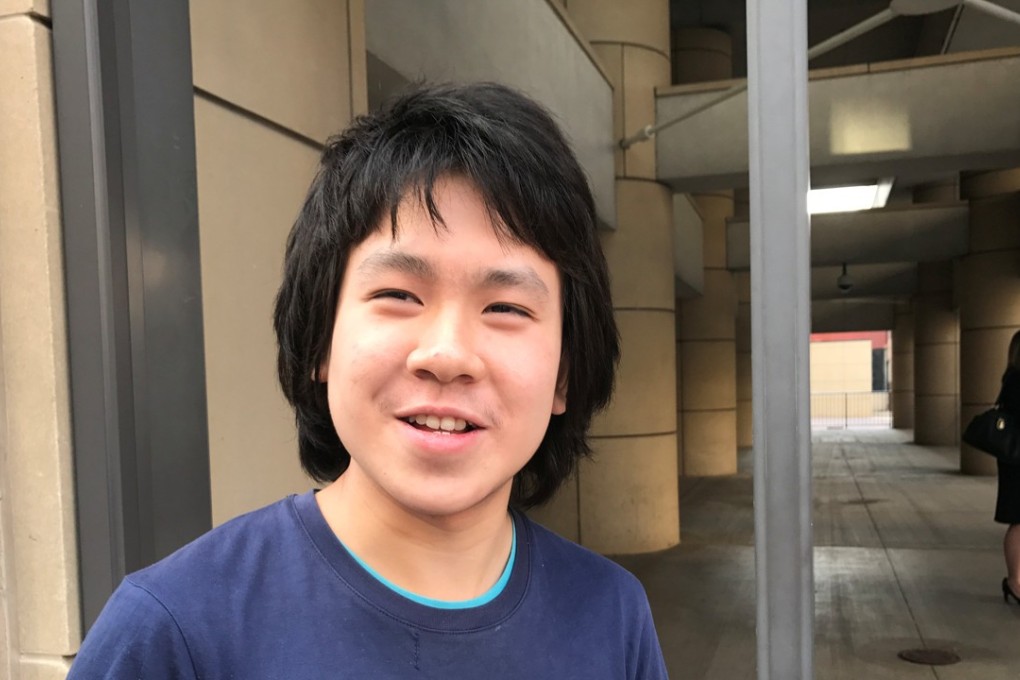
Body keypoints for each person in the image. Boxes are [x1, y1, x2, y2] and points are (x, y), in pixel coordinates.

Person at [68, 82, 669, 679]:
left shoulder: (611, 615)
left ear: (564, 375)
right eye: (399, 295)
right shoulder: (174, 632)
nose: (447, 354)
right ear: (321, 341)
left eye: (506, 307)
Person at [997, 330, 1020, 605]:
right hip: (1016, 461)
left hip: (1013, 459)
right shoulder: (1016, 381)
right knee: (1018, 520)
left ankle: (1015, 579)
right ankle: (1014, 580)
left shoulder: (1011, 378)